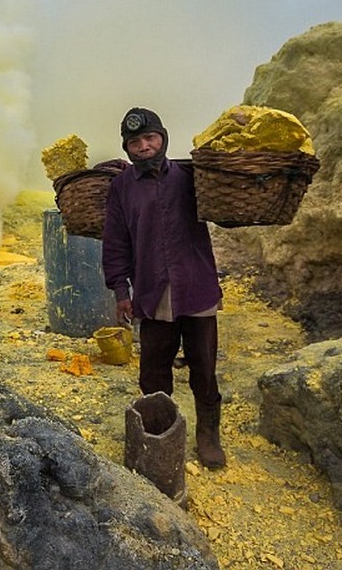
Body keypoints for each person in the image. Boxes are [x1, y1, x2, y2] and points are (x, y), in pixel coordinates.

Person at [101, 106, 226, 468]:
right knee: (154, 371)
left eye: (149, 138)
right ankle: (159, 434)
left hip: (197, 287)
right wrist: (121, 292)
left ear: (163, 138)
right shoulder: (120, 188)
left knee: (204, 367)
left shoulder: (189, 177)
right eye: (135, 142)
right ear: (126, 148)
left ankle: (208, 435)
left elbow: (224, 209)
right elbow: (115, 242)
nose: (143, 147)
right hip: (152, 291)